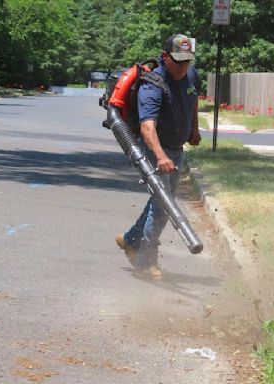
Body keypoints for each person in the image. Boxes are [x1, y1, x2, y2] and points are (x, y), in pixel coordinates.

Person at [115, 33, 201, 279]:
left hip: (176, 150)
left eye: (187, 61)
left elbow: (193, 99)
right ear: (165, 58)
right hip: (153, 150)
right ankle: (145, 262)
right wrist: (161, 157)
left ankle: (131, 239)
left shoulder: (191, 75)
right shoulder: (153, 85)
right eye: (178, 61)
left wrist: (193, 129)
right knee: (163, 206)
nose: (183, 67)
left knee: (160, 202)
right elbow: (147, 127)